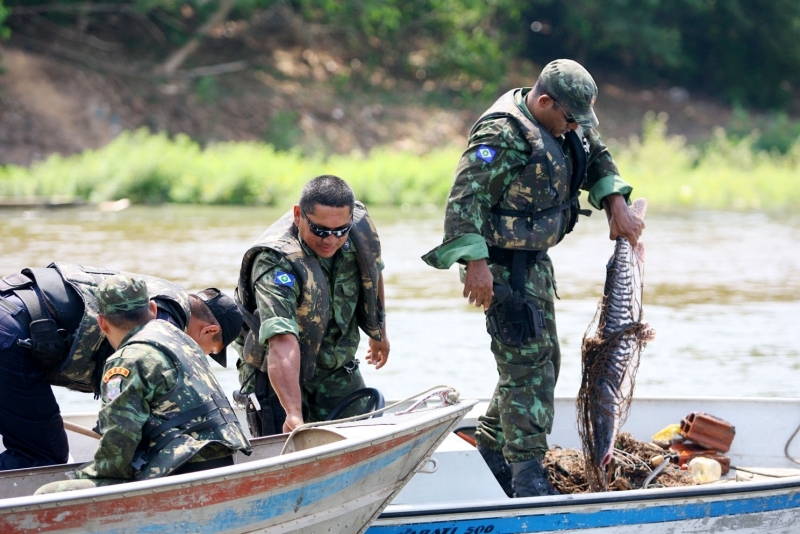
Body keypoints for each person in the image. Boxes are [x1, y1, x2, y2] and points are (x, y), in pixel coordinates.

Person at [422, 59, 645, 498]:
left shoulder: (566, 120)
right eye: (570, 119)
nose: (575, 127)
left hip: (535, 263)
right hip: (501, 269)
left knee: (541, 362)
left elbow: (596, 154)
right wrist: (475, 265)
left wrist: (616, 203)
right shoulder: (499, 136)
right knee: (530, 370)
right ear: (544, 102)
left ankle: (487, 449)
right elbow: (464, 200)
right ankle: (526, 475)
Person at [0, 261, 243, 471]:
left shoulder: (161, 296)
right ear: (209, 331)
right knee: (42, 456)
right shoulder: (160, 326)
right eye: (208, 351)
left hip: (11, 320)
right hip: (10, 336)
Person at [235, 175, 389, 436]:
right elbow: (281, 340)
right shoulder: (275, 262)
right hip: (277, 375)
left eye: (340, 231)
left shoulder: (358, 231)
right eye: (320, 230)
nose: (330, 240)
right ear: (298, 215)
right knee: (285, 452)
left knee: (362, 438)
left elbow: (372, 275)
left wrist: (379, 335)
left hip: (336, 368)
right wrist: (293, 412)